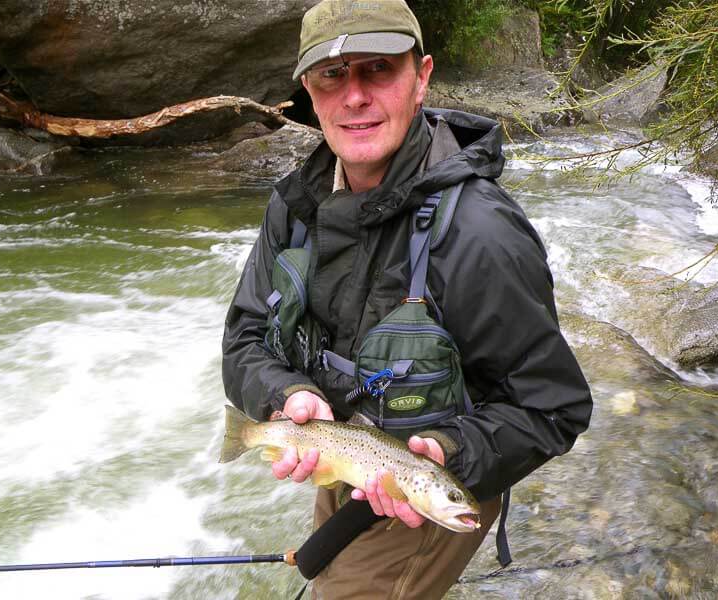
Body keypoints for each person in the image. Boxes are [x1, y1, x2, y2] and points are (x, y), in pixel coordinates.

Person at [222, 1, 593, 597]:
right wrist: (286, 395)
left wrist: (449, 454)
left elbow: (553, 407)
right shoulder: (294, 206)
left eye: (378, 70)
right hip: (346, 449)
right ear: (307, 95)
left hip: (439, 477)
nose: (355, 97)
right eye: (332, 76)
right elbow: (243, 338)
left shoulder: (481, 233)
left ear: (420, 78)